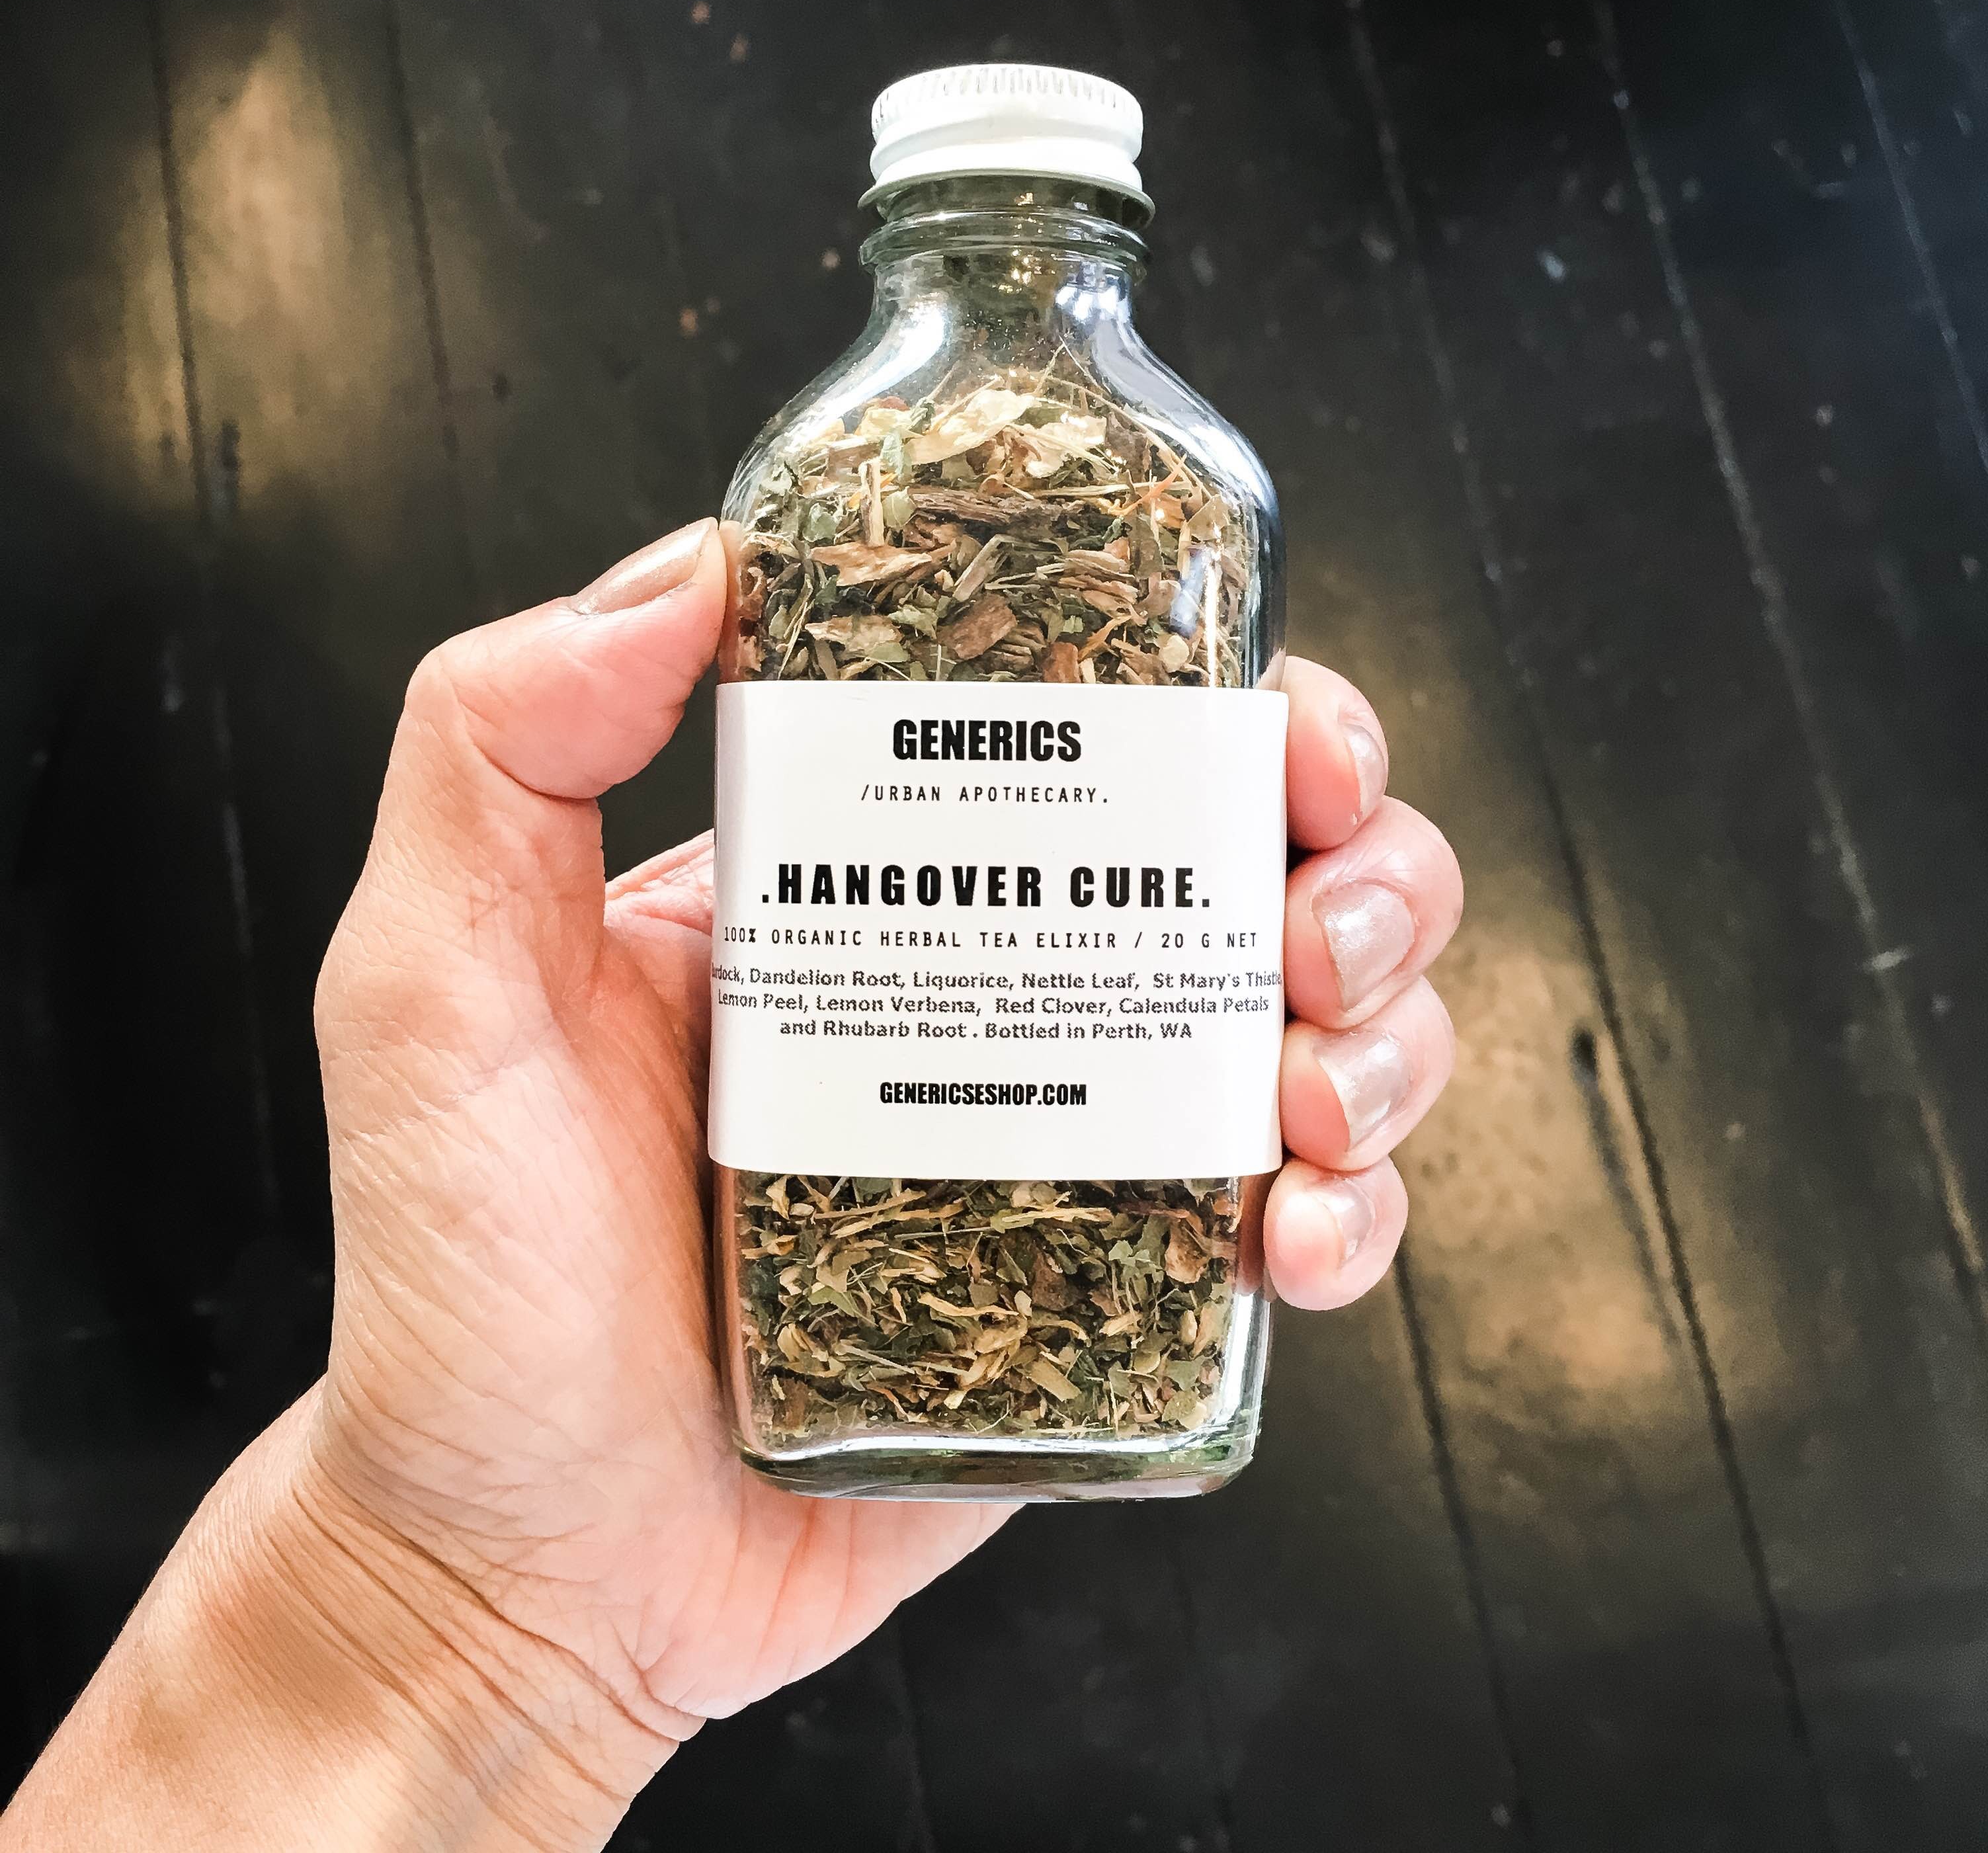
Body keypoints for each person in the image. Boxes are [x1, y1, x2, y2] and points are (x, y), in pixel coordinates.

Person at [0, 518, 1462, 1850]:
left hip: (1078, 1365)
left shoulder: (1174, 500)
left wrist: (458, 1633)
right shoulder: (863, 496)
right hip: (780, 1377)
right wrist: (448, 1596)